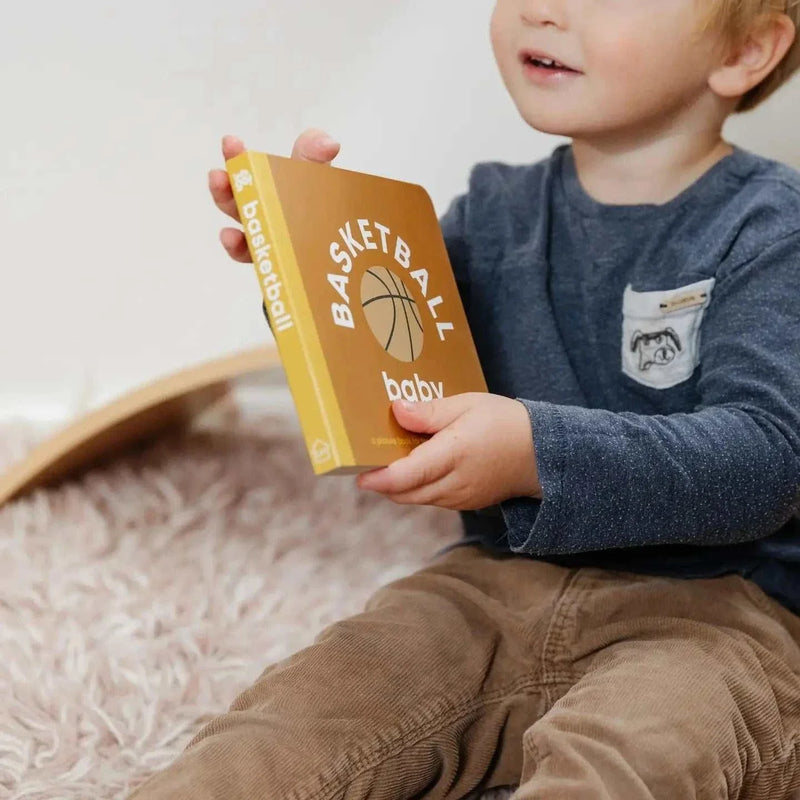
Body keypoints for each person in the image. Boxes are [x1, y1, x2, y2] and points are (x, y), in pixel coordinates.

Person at [130, 1, 800, 797]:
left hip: (716, 611)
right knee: (300, 715)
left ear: (748, 50)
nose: (542, 10)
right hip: (491, 583)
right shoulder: (491, 213)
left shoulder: (772, 226)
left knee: (637, 752)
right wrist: (300, 262)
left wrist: (532, 453)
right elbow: (390, 366)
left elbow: (768, 458)